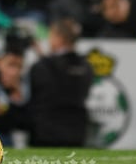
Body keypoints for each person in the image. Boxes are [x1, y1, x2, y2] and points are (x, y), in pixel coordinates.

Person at [27, 18, 93, 147]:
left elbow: (37, 96)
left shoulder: (42, 66)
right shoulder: (86, 66)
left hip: (46, 133)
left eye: (50, 35)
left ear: (59, 38)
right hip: (77, 132)